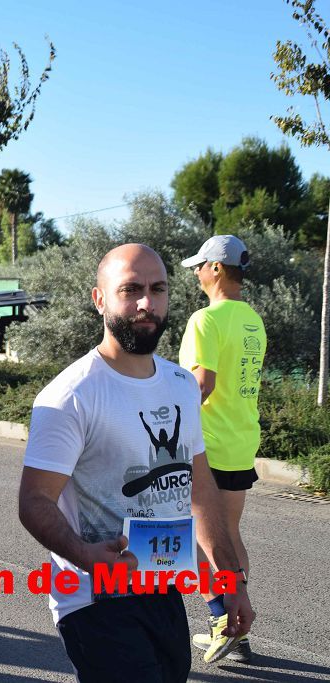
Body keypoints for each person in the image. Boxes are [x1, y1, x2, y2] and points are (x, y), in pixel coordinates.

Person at [18, 244, 254, 682]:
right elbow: (34, 501)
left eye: (157, 289)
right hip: (94, 599)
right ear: (99, 299)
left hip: (163, 589)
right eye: (131, 290)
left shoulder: (182, 385)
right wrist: (86, 556)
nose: (147, 303)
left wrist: (229, 581)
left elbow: (199, 489)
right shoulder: (72, 395)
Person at [179, 235, 266, 664]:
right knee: (230, 535)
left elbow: (202, 384)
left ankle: (220, 618)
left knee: (198, 540)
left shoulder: (205, 319)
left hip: (206, 446)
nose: (196, 272)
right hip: (241, 439)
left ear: (216, 268)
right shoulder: (253, 320)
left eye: (200, 265)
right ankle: (240, 626)